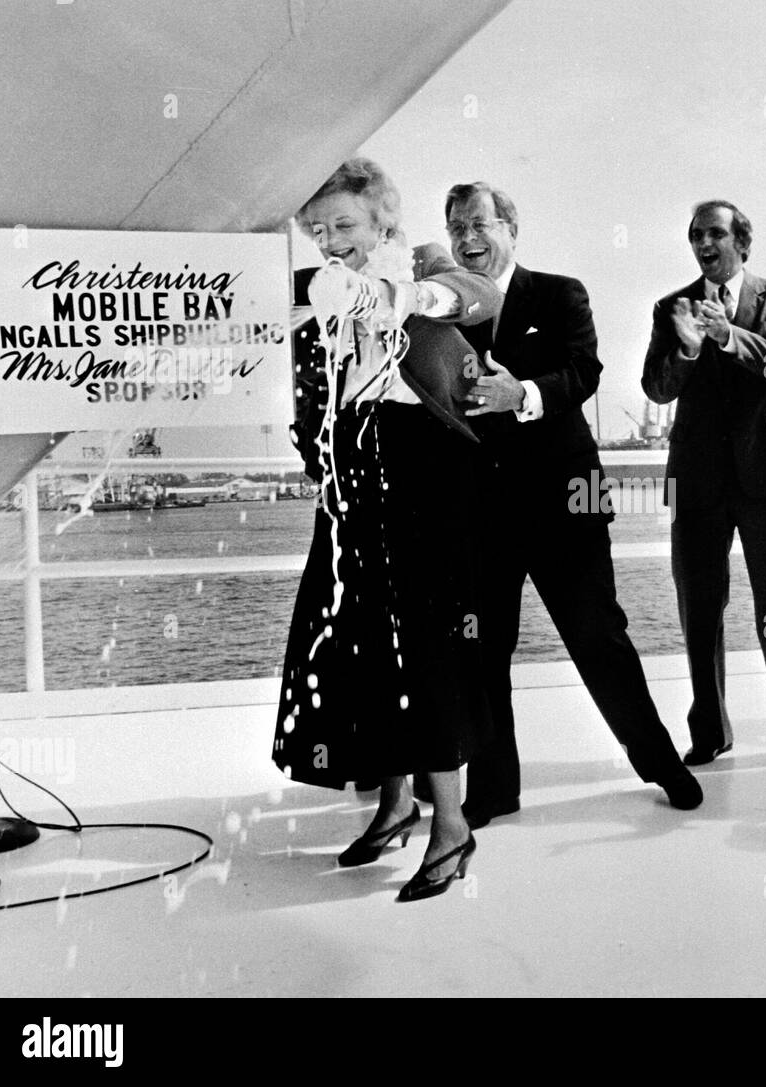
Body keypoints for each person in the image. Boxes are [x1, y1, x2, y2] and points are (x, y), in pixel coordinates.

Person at [273, 159, 502, 900]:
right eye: (319, 230)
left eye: (345, 225)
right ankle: (395, 802)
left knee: (429, 650)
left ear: (380, 225)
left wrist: (395, 294)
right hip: (352, 483)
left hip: (423, 476)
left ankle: (452, 826)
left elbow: (475, 293)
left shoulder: (421, 266)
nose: (333, 242)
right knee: (366, 645)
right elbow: (312, 401)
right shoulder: (318, 296)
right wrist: (318, 451)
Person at [443, 181, 702, 828]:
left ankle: (662, 763)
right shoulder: (440, 308)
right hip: (481, 511)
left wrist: (521, 394)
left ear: (511, 226)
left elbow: (584, 372)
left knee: (599, 640)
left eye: (479, 224)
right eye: (456, 228)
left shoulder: (560, 293)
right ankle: (494, 788)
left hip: (565, 503)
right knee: (482, 651)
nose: (467, 239)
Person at [641, 200, 766, 769]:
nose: (705, 244)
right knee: (699, 606)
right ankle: (710, 732)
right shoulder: (670, 307)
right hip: (697, 478)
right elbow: (656, 389)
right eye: (697, 235)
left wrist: (727, 337)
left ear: (742, 243)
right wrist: (690, 347)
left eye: (716, 234)